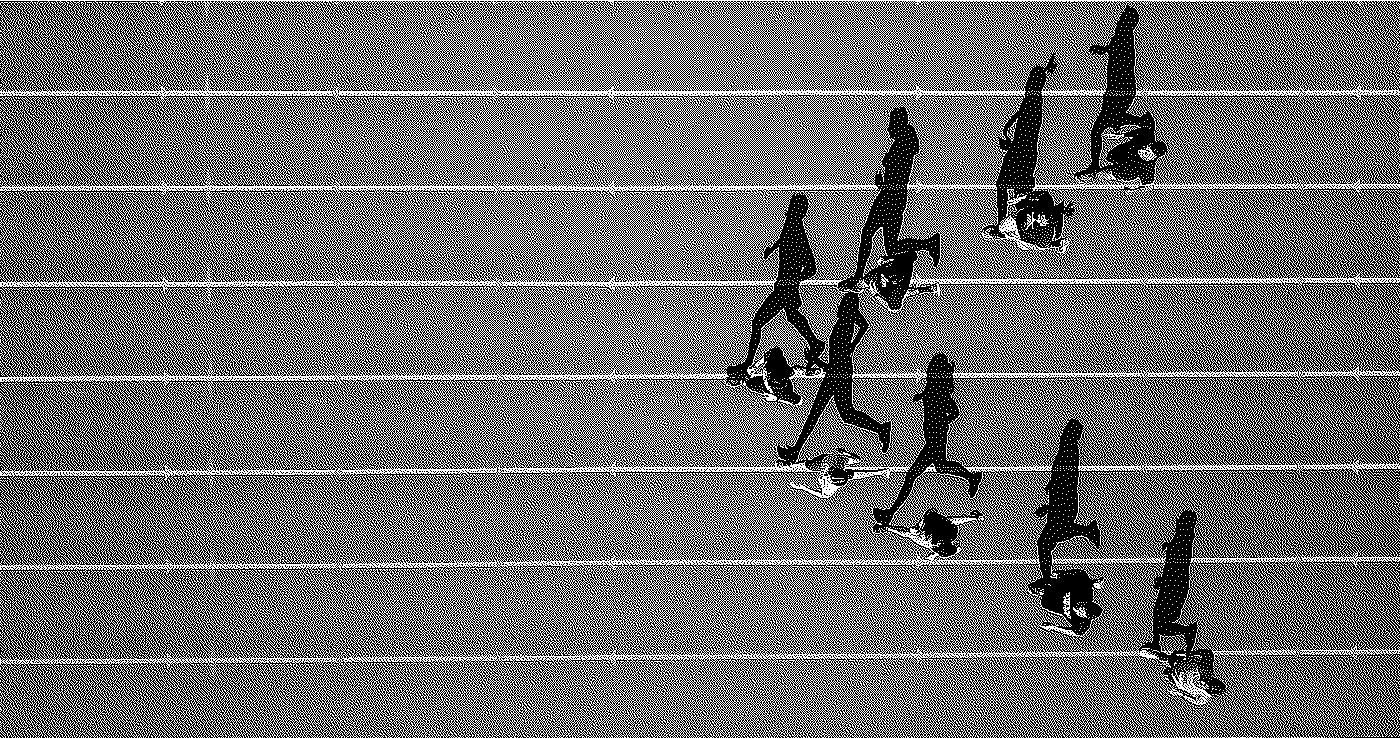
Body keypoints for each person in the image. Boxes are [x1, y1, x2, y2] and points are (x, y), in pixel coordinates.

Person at [777, 292, 892, 464]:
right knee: (844, 413)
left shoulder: (844, 327)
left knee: (819, 413)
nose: (839, 307)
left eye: (843, 304)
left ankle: (795, 451)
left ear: (847, 308)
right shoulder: (844, 325)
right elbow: (864, 326)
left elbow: (835, 364)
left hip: (838, 374)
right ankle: (880, 428)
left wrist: (816, 360)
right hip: (839, 372)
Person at [727, 194, 826, 384]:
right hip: (783, 287)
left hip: (784, 288)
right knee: (792, 315)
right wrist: (772, 249)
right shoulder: (790, 226)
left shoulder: (798, 233)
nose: (789, 211)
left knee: (758, 321)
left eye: (793, 209)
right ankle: (814, 342)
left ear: (800, 212)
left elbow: (811, 268)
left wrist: (793, 280)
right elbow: (783, 239)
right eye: (790, 208)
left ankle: (748, 363)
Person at [873, 354, 982, 528]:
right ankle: (971, 477)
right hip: (934, 437)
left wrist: (943, 421)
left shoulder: (939, 392)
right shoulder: (933, 390)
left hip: (935, 438)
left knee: (912, 475)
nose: (928, 372)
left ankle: (890, 513)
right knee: (939, 467)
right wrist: (923, 396)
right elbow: (947, 407)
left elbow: (954, 411)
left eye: (931, 370)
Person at [982, 56, 1074, 253]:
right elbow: (1047, 202)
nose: (1040, 219)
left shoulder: (1028, 233)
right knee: (1028, 126)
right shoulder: (1041, 224)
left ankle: (1035, 87)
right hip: (1023, 171)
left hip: (1018, 171)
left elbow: (1009, 215)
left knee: (1026, 126)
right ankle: (1036, 87)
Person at [1075, 6, 1164, 184]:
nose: (1119, 19)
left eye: (1123, 17)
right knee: (1103, 125)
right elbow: (1119, 48)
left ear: (1127, 21)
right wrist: (1105, 50)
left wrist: (1106, 50)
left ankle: (1095, 164)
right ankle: (1095, 164)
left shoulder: (1124, 33)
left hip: (1121, 88)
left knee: (1101, 126)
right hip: (1120, 89)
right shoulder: (1122, 34)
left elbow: (1122, 51)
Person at [838, 108, 919, 295]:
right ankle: (925, 246)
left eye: (892, 123)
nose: (889, 127)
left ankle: (858, 277)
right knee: (889, 244)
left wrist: (882, 184)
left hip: (891, 196)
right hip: (893, 195)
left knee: (870, 233)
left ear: (899, 124)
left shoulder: (902, 144)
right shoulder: (903, 142)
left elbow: (898, 174)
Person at [1034, 419, 1101, 581]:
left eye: (1067, 430)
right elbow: (1063, 476)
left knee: (1046, 542)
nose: (1063, 432)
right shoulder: (1067, 448)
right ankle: (1087, 531)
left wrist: (1048, 507)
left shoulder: (1069, 450)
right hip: (1063, 500)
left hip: (1064, 502)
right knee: (1051, 539)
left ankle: (1087, 531)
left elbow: (1065, 481)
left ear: (1072, 434)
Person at [1146, 510, 1200, 653]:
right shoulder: (1182, 540)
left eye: (1180, 521)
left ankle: (1183, 632)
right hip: (1174, 584)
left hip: (1173, 584)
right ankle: (1184, 632)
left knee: (1159, 619)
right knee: (1159, 620)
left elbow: (1175, 572)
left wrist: (1164, 582)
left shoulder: (1182, 540)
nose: (1177, 523)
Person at [855, 234, 940, 313]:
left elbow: (910, 292)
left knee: (897, 248)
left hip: (903, 259)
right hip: (903, 260)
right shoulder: (887, 289)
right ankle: (929, 244)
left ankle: (929, 244)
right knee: (896, 248)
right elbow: (908, 293)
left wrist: (928, 289)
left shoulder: (892, 291)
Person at [1075, 121, 1166, 189]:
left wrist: (1134, 189)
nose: (1144, 153)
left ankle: (1093, 176)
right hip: (1121, 154)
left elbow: (1147, 185)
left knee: (1101, 175)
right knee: (1110, 157)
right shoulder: (1146, 136)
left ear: (1153, 157)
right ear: (1148, 145)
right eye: (1146, 150)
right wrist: (1119, 136)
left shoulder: (1147, 168)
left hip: (1124, 171)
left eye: (1148, 155)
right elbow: (1143, 131)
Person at [875, 507, 983, 559]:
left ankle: (927, 520)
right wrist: (972, 518)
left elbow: (905, 532)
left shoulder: (922, 538)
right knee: (948, 521)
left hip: (928, 528)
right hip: (935, 528)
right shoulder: (949, 536)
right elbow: (957, 548)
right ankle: (974, 516)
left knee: (913, 530)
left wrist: (887, 528)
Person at [784, 449, 890, 498]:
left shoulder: (830, 487)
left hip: (824, 462)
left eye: (829, 476)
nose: (828, 475)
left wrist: (802, 487)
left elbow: (822, 495)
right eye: (830, 473)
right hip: (825, 460)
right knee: (809, 465)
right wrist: (846, 453)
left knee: (809, 465)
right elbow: (858, 463)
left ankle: (790, 464)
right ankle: (790, 463)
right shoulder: (841, 462)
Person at [1139, 646, 1227, 705]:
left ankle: (1168, 665)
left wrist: (1180, 693)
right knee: (1166, 659)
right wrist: (1189, 654)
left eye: (1206, 686)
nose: (1203, 683)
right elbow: (1207, 653)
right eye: (1208, 682)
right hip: (1181, 666)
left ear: (1209, 691)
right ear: (1212, 679)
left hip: (1177, 679)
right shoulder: (1206, 670)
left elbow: (1193, 700)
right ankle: (1155, 654)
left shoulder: (1203, 698)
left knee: (1167, 673)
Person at [1030, 569, 1105, 637]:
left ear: (1083, 616)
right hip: (1059, 588)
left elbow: (1075, 633)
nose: (1077, 607)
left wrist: (1053, 627)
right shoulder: (1084, 592)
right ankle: (1046, 585)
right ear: (1086, 602)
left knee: (1044, 603)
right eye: (1081, 605)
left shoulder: (1082, 624)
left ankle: (1042, 590)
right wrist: (1061, 574)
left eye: (1080, 611)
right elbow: (1081, 574)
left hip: (1054, 604)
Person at [741, 346, 808, 406]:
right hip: (774, 383)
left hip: (774, 381)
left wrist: (755, 366)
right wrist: (776, 398)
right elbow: (798, 401)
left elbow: (774, 352)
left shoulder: (752, 383)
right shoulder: (752, 383)